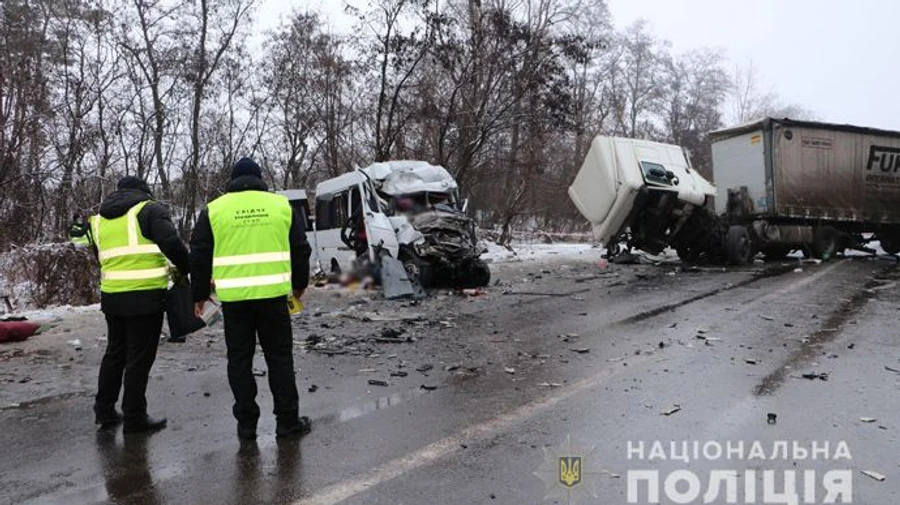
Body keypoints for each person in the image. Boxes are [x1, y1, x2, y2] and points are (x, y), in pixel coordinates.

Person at [190, 157, 312, 441]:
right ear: (260, 179)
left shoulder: (214, 210)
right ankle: (287, 422)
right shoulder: (281, 206)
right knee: (280, 359)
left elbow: (199, 254)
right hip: (273, 299)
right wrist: (299, 286)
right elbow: (300, 249)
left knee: (239, 361)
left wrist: (198, 296)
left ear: (232, 181)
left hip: (235, 302)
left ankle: (246, 426)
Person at [91, 176, 190, 433]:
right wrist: (187, 268)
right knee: (139, 357)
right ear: (144, 191)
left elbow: (100, 257)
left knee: (115, 353)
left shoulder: (98, 219)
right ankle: (135, 417)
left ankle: (104, 411)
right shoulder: (149, 210)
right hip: (145, 297)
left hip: (112, 296)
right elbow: (171, 243)